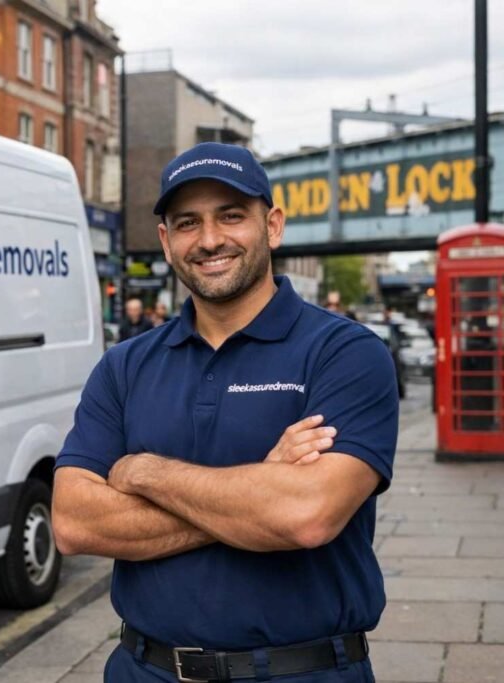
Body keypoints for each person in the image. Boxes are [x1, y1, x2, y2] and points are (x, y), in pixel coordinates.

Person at [52, 142, 398, 682]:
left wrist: (142, 471)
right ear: (166, 241)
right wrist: (260, 491)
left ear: (273, 226)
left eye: (231, 216)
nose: (210, 239)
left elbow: (307, 515)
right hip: (146, 670)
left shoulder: (345, 353)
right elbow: (74, 523)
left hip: (300, 671)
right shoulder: (125, 366)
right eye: (188, 222)